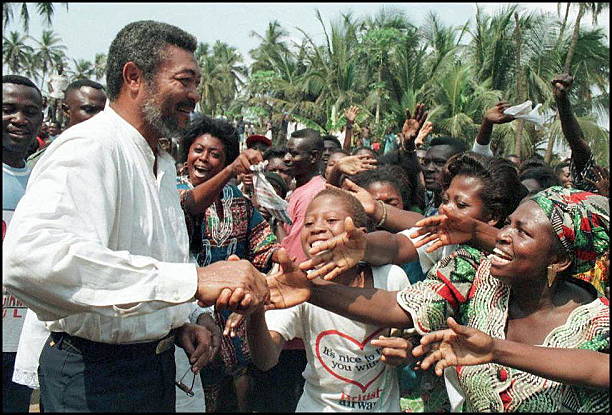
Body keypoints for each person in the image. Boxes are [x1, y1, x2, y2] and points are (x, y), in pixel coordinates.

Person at [2, 20, 270, 412]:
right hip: (96, 377)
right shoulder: (89, 149)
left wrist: (187, 318)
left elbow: (154, 264)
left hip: (151, 368)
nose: (194, 96)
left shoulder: (158, 161)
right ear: (134, 77)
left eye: (197, 84)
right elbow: (31, 262)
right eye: (185, 81)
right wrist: (193, 281)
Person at [289, 186, 609, 412]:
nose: (503, 236)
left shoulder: (598, 324)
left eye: (522, 232)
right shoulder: (473, 272)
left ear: (559, 260)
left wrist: (497, 350)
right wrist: (312, 291)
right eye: (508, 224)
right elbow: (396, 305)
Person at [246, 188, 410, 411]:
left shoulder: (391, 277)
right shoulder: (295, 287)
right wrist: (255, 310)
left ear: (360, 233)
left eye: (331, 220)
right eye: (308, 223)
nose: (318, 228)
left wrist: (406, 350)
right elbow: (265, 359)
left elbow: (414, 342)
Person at [177, 114, 281, 412]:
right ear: (187, 151)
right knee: (195, 389)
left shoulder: (236, 197)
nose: (204, 159)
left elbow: (262, 243)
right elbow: (190, 205)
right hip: (189, 311)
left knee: (236, 390)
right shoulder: (171, 190)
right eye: (198, 150)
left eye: (215, 155)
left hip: (233, 314)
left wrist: (280, 260)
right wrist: (231, 171)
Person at [2, 74, 44, 413]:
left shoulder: (43, 182)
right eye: (8, 109)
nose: (19, 119)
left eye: (30, 112)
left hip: (22, 339)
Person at [28, 79, 107, 169]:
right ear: (66, 110)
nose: (99, 117)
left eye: (104, 111)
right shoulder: (45, 160)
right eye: (89, 110)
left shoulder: (113, 156)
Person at [281, 128, 327, 264]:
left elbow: (297, 252)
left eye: (294, 154)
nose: (286, 159)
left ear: (313, 157)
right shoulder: (300, 190)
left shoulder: (311, 194)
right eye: (287, 152)